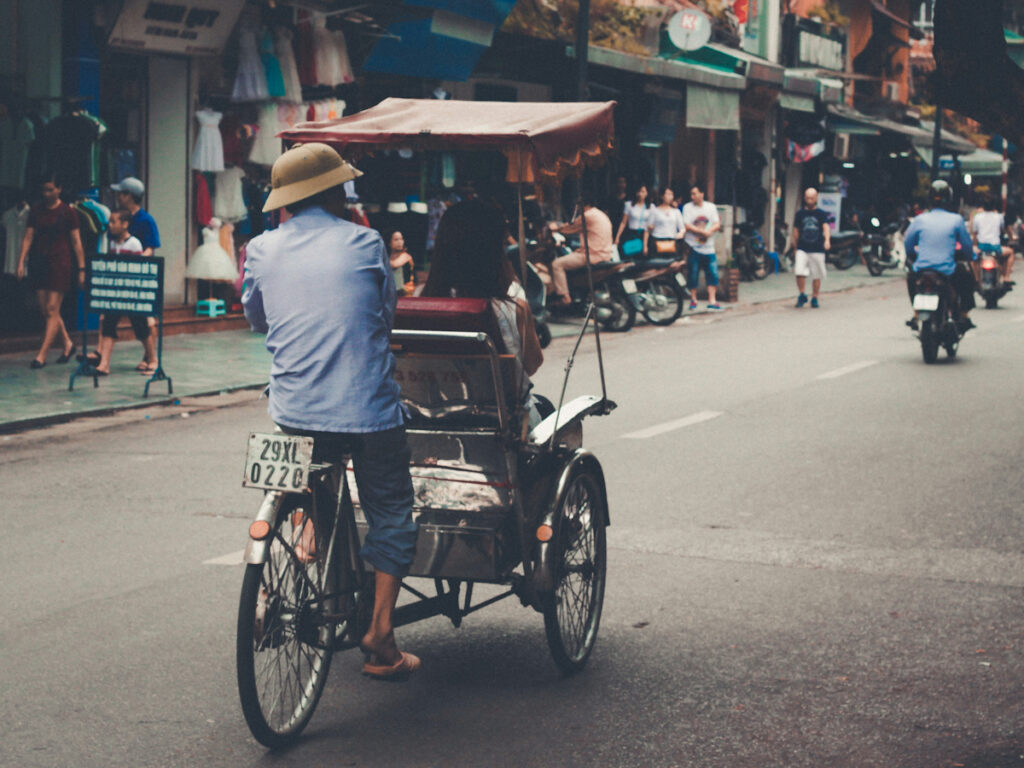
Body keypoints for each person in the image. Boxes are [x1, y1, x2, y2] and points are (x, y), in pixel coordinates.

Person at [242, 142, 420, 680]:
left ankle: (283, 573)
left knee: (309, 497)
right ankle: (380, 636)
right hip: (367, 410)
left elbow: (256, 317)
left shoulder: (260, 248)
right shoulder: (365, 242)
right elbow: (384, 317)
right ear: (335, 192)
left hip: (292, 409)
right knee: (391, 509)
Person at [422, 199, 544, 422]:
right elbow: (532, 363)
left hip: (439, 417)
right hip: (505, 422)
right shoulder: (513, 304)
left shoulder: (424, 303)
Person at [15, 173, 85, 368]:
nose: (47, 193)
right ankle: (68, 344)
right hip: (39, 262)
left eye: (50, 189)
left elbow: (76, 241)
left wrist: (81, 268)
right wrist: (21, 261)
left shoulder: (68, 212)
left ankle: (42, 354)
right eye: (44, 190)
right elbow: (28, 237)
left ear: (59, 189)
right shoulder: (36, 211)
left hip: (60, 262)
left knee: (53, 308)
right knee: (46, 309)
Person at [904, 179, 978, 332]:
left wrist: (915, 256)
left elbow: (908, 244)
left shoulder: (920, 219)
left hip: (921, 269)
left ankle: (916, 312)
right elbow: (967, 247)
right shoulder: (956, 220)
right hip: (947, 270)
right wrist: (970, 256)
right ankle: (964, 314)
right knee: (967, 278)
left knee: (911, 278)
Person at [88, 209, 147, 375]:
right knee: (109, 325)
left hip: (131, 293)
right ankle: (104, 364)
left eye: (114, 222)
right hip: (115, 294)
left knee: (140, 327)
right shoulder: (112, 244)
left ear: (125, 224)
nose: (110, 225)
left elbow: (138, 269)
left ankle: (151, 357)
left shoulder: (134, 244)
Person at [111, 176, 160, 372]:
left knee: (145, 319)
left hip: (141, 276)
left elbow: (151, 248)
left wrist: (135, 259)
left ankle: (149, 357)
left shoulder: (146, 220)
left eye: (121, 194)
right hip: (122, 277)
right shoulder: (116, 219)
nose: (119, 197)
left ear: (129, 196)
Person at [548, 192, 614, 305]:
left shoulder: (587, 216)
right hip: (605, 254)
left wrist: (555, 228)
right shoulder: (600, 214)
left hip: (593, 255)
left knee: (556, 264)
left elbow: (569, 228)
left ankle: (564, 296)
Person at [681, 184, 722, 311]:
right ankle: (693, 299)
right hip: (694, 246)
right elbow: (687, 225)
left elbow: (717, 224)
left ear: (702, 194)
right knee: (693, 274)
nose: (693, 196)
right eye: (691, 194)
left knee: (713, 273)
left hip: (709, 247)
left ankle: (712, 300)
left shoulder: (710, 207)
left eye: (695, 193)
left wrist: (709, 231)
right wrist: (702, 232)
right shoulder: (688, 207)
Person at [790, 187, 831, 308]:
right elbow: (796, 230)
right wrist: (795, 245)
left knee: (817, 274)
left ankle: (815, 297)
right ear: (804, 198)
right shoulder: (800, 214)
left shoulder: (821, 214)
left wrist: (827, 240)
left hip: (817, 248)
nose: (810, 200)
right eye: (808, 198)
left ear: (816, 198)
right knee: (799, 271)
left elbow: (826, 227)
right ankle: (802, 294)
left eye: (812, 198)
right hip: (802, 247)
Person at [971, 196, 1014, 285]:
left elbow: (974, 234)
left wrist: (975, 245)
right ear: (994, 206)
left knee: (971, 256)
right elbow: (1004, 229)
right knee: (1011, 252)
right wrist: (1012, 238)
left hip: (982, 247)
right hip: (996, 248)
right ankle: (1006, 277)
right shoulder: (999, 217)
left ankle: (976, 278)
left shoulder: (977, 217)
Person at [645, 187, 685, 260]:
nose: (670, 197)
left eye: (672, 194)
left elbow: (682, 228)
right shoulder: (654, 211)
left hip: (671, 241)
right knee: (657, 264)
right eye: (668, 194)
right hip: (657, 241)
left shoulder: (676, 212)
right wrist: (645, 246)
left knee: (672, 265)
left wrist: (681, 233)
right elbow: (647, 229)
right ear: (662, 196)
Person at [613, 184, 651, 252]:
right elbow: (623, 222)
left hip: (645, 234)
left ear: (647, 193)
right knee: (630, 253)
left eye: (643, 191)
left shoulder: (651, 207)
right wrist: (617, 237)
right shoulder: (629, 205)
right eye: (638, 191)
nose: (640, 194)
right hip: (632, 234)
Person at [387, 230, 414, 295]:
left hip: (404, 292)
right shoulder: (386, 257)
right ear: (389, 243)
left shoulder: (405, 256)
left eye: (401, 239)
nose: (400, 242)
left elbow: (394, 265)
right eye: (396, 240)